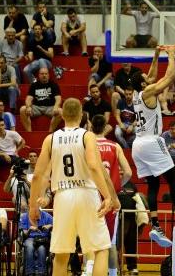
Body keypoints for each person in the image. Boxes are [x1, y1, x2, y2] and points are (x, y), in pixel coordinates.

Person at [29, 98, 119, 276]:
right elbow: (95, 167)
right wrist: (108, 196)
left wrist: (33, 205)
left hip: (62, 196)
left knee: (61, 255)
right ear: (82, 115)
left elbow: (38, 175)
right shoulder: (88, 136)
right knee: (101, 249)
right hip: (86, 193)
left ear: (62, 114)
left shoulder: (50, 138)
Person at [131, 47, 175, 248]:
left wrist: (156, 55)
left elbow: (150, 75)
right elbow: (168, 78)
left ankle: (156, 225)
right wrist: (171, 56)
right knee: (172, 180)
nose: (150, 76)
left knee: (153, 185)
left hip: (138, 144)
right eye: (146, 78)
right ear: (144, 83)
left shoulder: (136, 93)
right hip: (151, 141)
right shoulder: (149, 91)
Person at [91, 114, 132, 276]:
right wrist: (115, 187)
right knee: (110, 243)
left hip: (91, 197)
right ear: (106, 127)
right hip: (110, 199)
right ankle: (113, 274)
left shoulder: (87, 145)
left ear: (90, 126)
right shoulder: (115, 146)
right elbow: (128, 172)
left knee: (90, 242)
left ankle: (89, 271)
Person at [19, 68, 62, 133]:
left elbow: (58, 99)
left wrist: (56, 107)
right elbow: (28, 99)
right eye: (42, 74)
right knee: (22, 109)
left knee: (60, 111)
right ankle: (29, 133)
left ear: (48, 75)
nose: (44, 75)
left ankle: (50, 132)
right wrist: (28, 107)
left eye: (46, 74)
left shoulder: (54, 85)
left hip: (50, 108)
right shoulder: (34, 85)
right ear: (39, 75)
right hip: (36, 107)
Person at [0, 117, 26, 183]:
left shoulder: (12, 133)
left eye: (2, 125)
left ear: (5, 125)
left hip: (12, 155)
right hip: (1, 156)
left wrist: (17, 151)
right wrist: (4, 154)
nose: (0, 127)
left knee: (24, 161)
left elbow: (23, 142)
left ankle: (19, 182)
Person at [20, 207, 53, 276]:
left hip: (43, 238)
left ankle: (41, 272)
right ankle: (29, 272)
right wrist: (30, 229)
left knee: (41, 249)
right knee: (29, 247)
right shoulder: (24, 216)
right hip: (30, 237)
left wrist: (49, 225)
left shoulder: (47, 216)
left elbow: (56, 225)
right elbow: (24, 233)